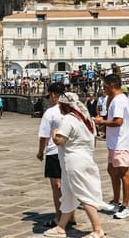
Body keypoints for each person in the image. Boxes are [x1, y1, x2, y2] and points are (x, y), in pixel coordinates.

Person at [43, 92, 108, 238]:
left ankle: (98, 229)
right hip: (85, 158)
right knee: (69, 194)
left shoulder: (68, 119)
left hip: (74, 161)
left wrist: (54, 133)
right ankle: (61, 227)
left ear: (65, 106)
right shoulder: (87, 120)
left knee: (83, 193)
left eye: (61, 105)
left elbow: (59, 141)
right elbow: (94, 140)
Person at [36, 83, 75, 228]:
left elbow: (43, 136)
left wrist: (40, 152)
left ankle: (59, 217)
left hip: (53, 151)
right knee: (69, 185)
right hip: (70, 151)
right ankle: (71, 216)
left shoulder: (51, 112)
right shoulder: (72, 109)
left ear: (53, 94)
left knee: (56, 186)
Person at [95, 74, 129, 219]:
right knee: (112, 170)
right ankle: (116, 200)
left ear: (111, 86)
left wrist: (102, 122)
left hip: (121, 143)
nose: (103, 89)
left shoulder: (118, 101)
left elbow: (118, 121)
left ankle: (125, 205)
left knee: (123, 173)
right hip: (114, 143)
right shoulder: (115, 99)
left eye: (105, 86)